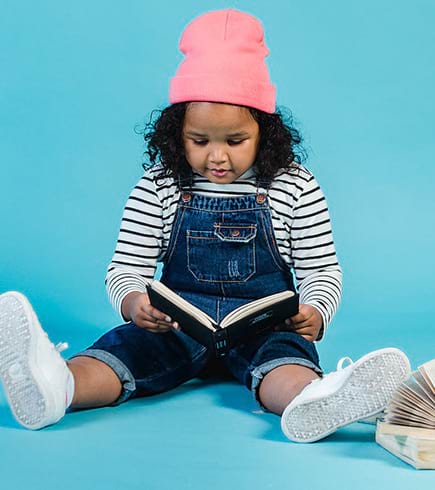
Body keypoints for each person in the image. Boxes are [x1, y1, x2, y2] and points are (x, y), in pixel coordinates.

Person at [0, 9, 410, 441]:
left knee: (285, 362)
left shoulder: (294, 186)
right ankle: (58, 386)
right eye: (199, 141)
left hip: (263, 329)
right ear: (177, 134)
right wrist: (134, 304)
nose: (217, 157)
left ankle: (315, 399)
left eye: (235, 141)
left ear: (265, 132)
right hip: (175, 328)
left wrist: (315, 312)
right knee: (124, 352)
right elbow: (126, 268)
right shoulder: (159, 185)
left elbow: (321, 269)